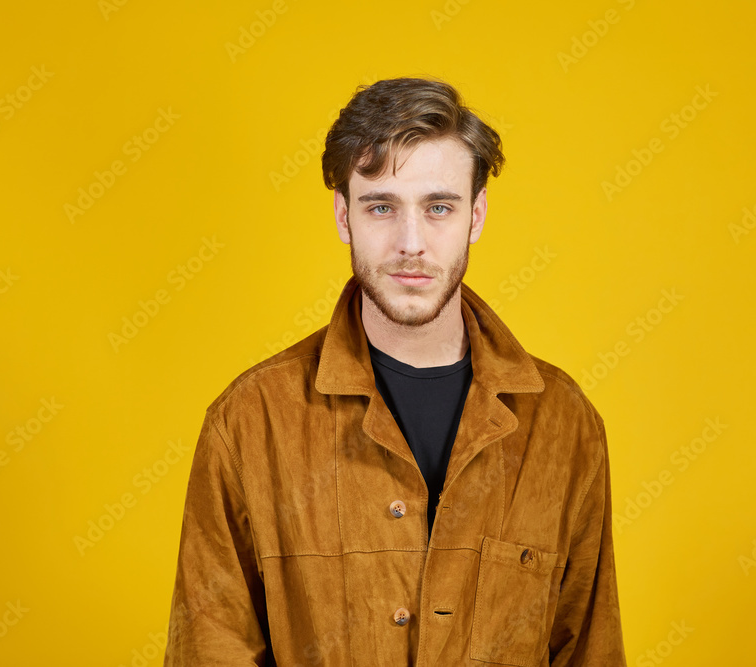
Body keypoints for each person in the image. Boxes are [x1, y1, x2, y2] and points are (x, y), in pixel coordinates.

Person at [164, 76, 627, 666]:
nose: (411, 242)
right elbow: (210, 650)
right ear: (344, 215)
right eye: (382, 206)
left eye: (439, 207)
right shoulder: (251, 422)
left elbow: (589, 651)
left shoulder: (564, 424)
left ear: (476, 216)